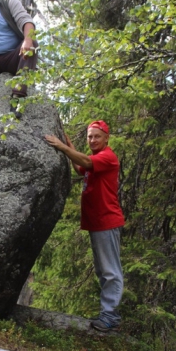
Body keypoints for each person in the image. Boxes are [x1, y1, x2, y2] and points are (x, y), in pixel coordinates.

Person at [44, 121, 125, 332]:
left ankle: (110, 316)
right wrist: (68, 142)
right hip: (97, 223)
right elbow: (81, 168)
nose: (92, 140)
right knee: (102, 269)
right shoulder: (96, 158)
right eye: (89, 137)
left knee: (110, 271)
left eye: (96, 136)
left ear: (106, 138)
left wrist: (62, 147)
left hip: (106, 221)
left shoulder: (108, 157)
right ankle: (109, 313)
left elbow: (87, 163)